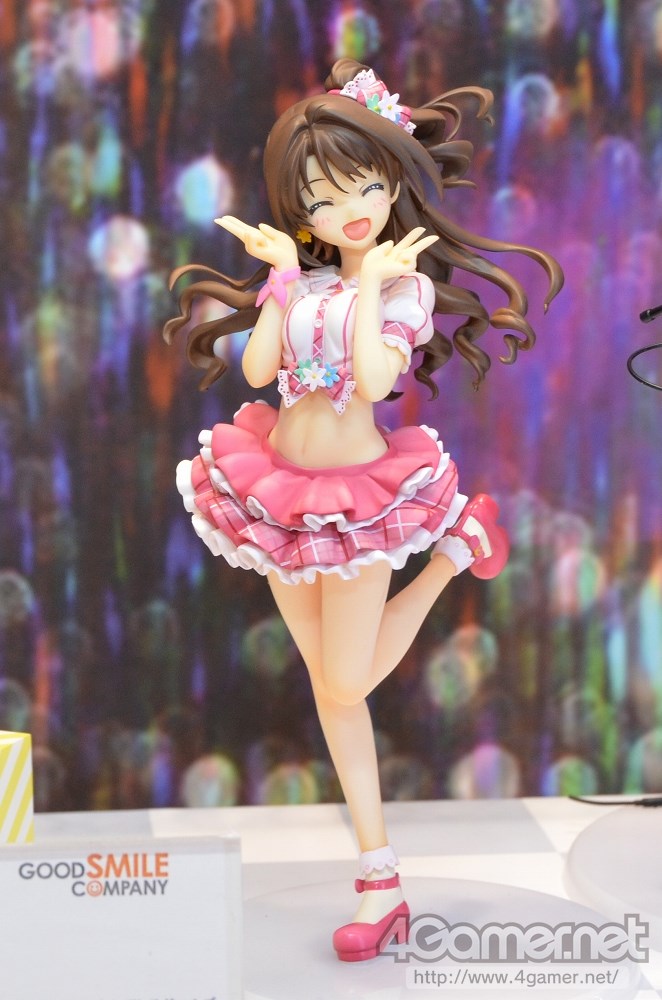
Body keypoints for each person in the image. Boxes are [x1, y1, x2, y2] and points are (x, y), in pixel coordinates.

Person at [164, 59, 563, 962]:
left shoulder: (405, 288)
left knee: (345, 683)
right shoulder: (300, 284)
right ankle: (379, 881)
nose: (345, 207)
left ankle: (455, 552)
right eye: (320, 194)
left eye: (362, 185)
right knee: (328, 685)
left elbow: (378, 382)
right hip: (274, 489)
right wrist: (277, 280)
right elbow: (258, 370)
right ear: (300, 210)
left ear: (391, 182)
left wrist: (373, 284)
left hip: (355, 500)